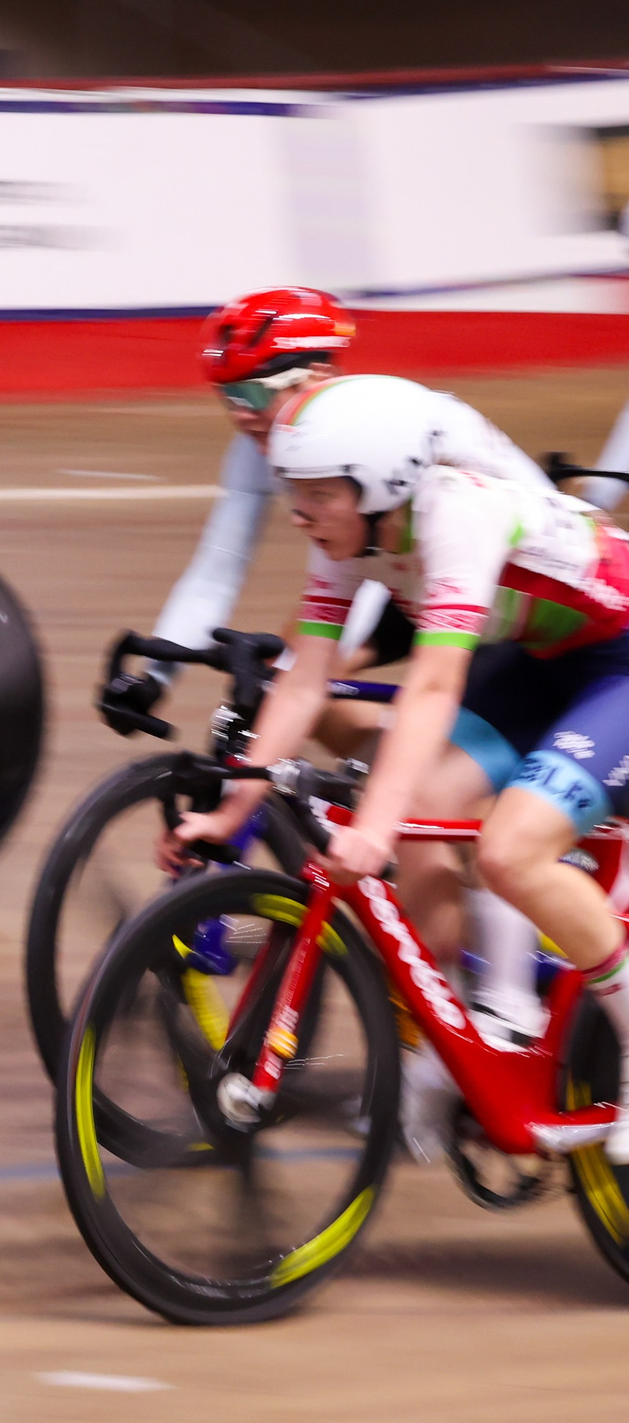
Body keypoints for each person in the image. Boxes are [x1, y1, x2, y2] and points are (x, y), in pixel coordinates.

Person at [165, 373, 629, 1162]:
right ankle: (450, 1037)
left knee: (511, 848)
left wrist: (372, 822)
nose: (298, 511)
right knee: (421, 807)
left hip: (617, 661)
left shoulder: (459, 517)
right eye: (292, 490)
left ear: (377, 487)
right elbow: (303, 680)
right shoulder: (353, 533)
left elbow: (436, 684)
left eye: (316, 493)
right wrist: (233, 807)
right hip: (548, 660)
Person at [109, 287, 554, 1046]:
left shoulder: (392, 432)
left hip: (499, 589)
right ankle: (419, 866)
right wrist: (158, 678)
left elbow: (470, 562)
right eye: (225, 396)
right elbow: (219, 567)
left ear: (309, 375)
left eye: (250, 392)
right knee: (308, 697)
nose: (240, 414)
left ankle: (472, 926)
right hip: (396, 575)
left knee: (411, 770)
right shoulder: (278, 448)